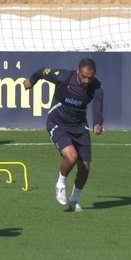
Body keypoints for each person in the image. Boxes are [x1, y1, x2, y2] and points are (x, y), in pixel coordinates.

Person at [23, 58, 104, 212]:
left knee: (85, 167)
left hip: (79, 127)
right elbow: (42, 71)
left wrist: (98, 124)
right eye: (84, 76)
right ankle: (60, 184)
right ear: (78, 71)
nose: (87, 80)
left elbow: (98, 109)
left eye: (90, 77)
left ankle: (74, 201)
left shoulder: (97, 88)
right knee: (71, 157)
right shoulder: (63, 76)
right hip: (57, 123)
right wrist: (31, 81)